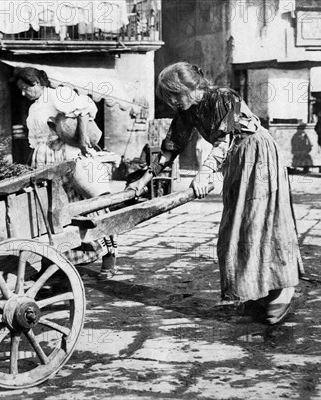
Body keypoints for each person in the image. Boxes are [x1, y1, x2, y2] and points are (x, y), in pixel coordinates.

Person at [128, 62, 302, 324]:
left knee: (263, 221)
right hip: (236, 160)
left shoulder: (223, 97)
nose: (173, 101)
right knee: (236, 227)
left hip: (258, 153)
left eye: (175, 95)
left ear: (190, 87)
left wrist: (204, 173)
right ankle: (257, 289)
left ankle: (284, 288)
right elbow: (169, 149)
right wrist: (143, 180)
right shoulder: (187, 110)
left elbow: (224, 140)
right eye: (169, 97)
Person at [12, 67, 117, 280]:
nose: (23, 94)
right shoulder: (33, 108)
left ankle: (108, 256)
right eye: (20, 91)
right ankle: (60, 260)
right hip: (42, 160)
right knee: (51, 209)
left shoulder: (58, 95)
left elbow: (85, 109)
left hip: (64, 155)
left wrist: (83, 138)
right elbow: (35, 138)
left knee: (89, 205)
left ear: (36, 83)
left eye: (25, 89)